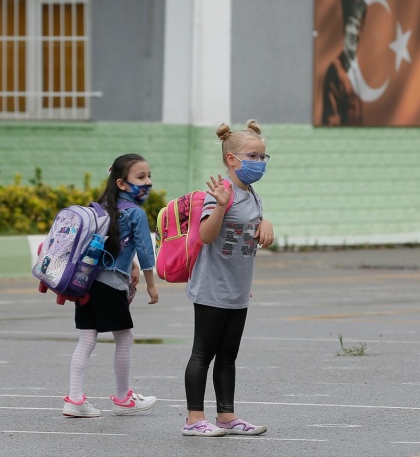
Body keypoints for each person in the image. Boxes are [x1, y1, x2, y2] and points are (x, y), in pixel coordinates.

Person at [182, 120, 274, 437]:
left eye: (263, 157)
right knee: (202, 354)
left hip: (237, 290)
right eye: (253, 156)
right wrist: (220, 206)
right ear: (232, 160)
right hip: (211, 288)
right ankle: (194, 419)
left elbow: (254, 225)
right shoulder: (222, 192)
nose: (259, 163)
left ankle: (226, 416)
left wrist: (267, 223)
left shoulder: (252, 194)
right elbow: (207, 235)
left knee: (228, 357)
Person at [62, 153, 159, 418]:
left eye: (149, 176)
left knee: (87, 338)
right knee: (124, 337)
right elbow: (146, 251)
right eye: (141, 177)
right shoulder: (136, 213)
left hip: (87, 282)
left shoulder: (102, 207)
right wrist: (151, 285)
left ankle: (75, 398)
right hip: (110, 285)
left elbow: (115, 244)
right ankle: (123, 397)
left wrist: (133, 267)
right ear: (122, 183)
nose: (148, 182)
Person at [321, 0, 366, 126]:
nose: (355, 32)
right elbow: (331, 122)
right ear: (345, 30)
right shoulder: (335, 70)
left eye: (358, 26)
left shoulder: (354, 71)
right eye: (351, 25)